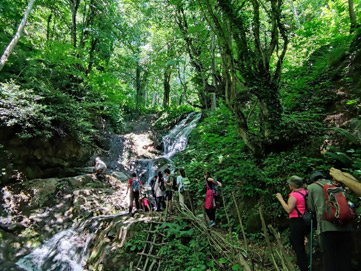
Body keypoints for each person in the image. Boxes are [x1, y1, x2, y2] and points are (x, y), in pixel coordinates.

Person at [307, 171, 353, 271]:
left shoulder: (312, 187)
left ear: (313, 179)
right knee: (345, 259)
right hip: (345, 225)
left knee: (330, 260)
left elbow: (310, 207)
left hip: (326, 227)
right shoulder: (336, 184)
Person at [276, 176, 310, 271]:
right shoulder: (306, 192)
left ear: (292, 185)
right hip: (306, 221)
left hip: (296, 222)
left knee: (299, 248)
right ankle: (304, 260)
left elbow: (289, 210)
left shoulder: (294, 196)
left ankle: (303, 267)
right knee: (293, 240)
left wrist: (280, 199)